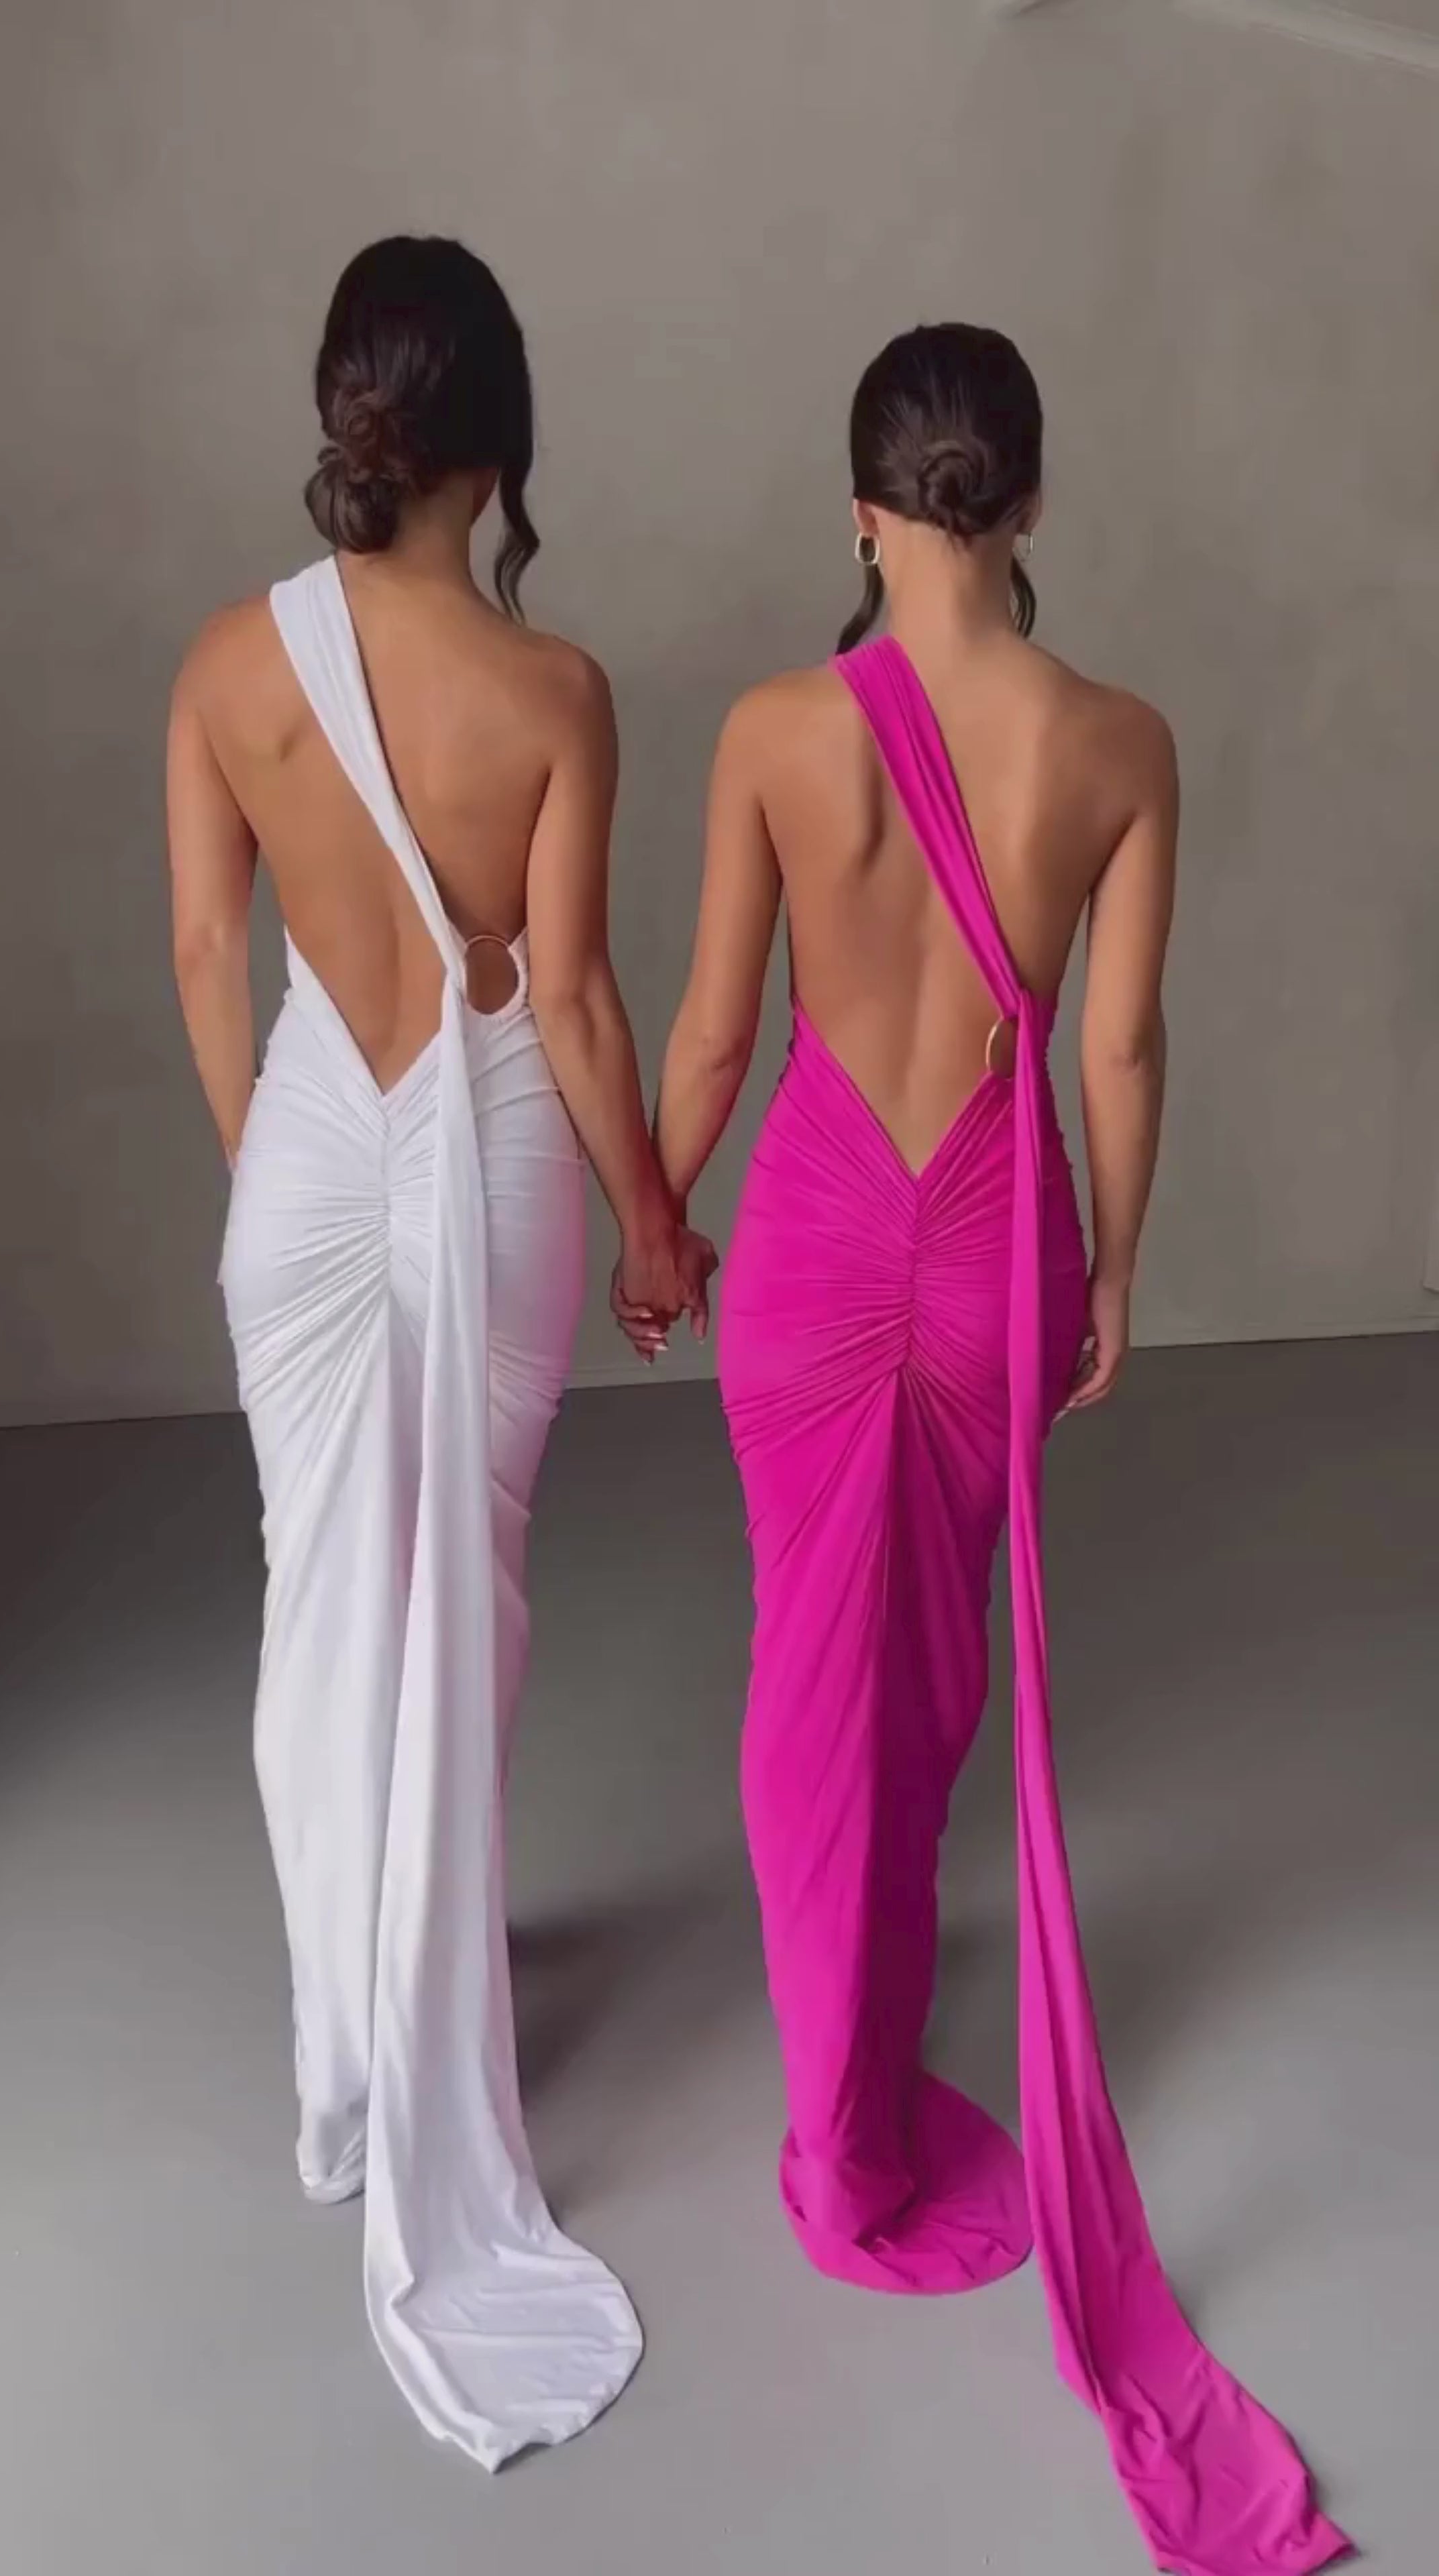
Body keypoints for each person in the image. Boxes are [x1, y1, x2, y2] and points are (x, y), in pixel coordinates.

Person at [633, 326, 1347, 2573]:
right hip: (993, 1252)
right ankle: (862, 2074)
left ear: (862, 510)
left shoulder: (775, 732)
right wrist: (1116, 1267)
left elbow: (718, 1032)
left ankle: (841, 2126)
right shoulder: (1118, 743)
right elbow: (1117, 1048)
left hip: (818, 1240)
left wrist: (656, 1220)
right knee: (924, 1682)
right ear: (1028, 503)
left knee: (810, 1677)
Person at [167, 235, 708, 2467]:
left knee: (321, 1601)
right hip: (486, 1157)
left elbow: (211, 948)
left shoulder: (231, 664)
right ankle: (421, 2010)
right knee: (459, 1601)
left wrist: (283, 1175)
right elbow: (566, 999)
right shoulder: (556, 693)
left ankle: (347, 2063)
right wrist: (658, 1221)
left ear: (346, 416)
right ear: (496, 442)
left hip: (309, 1153)